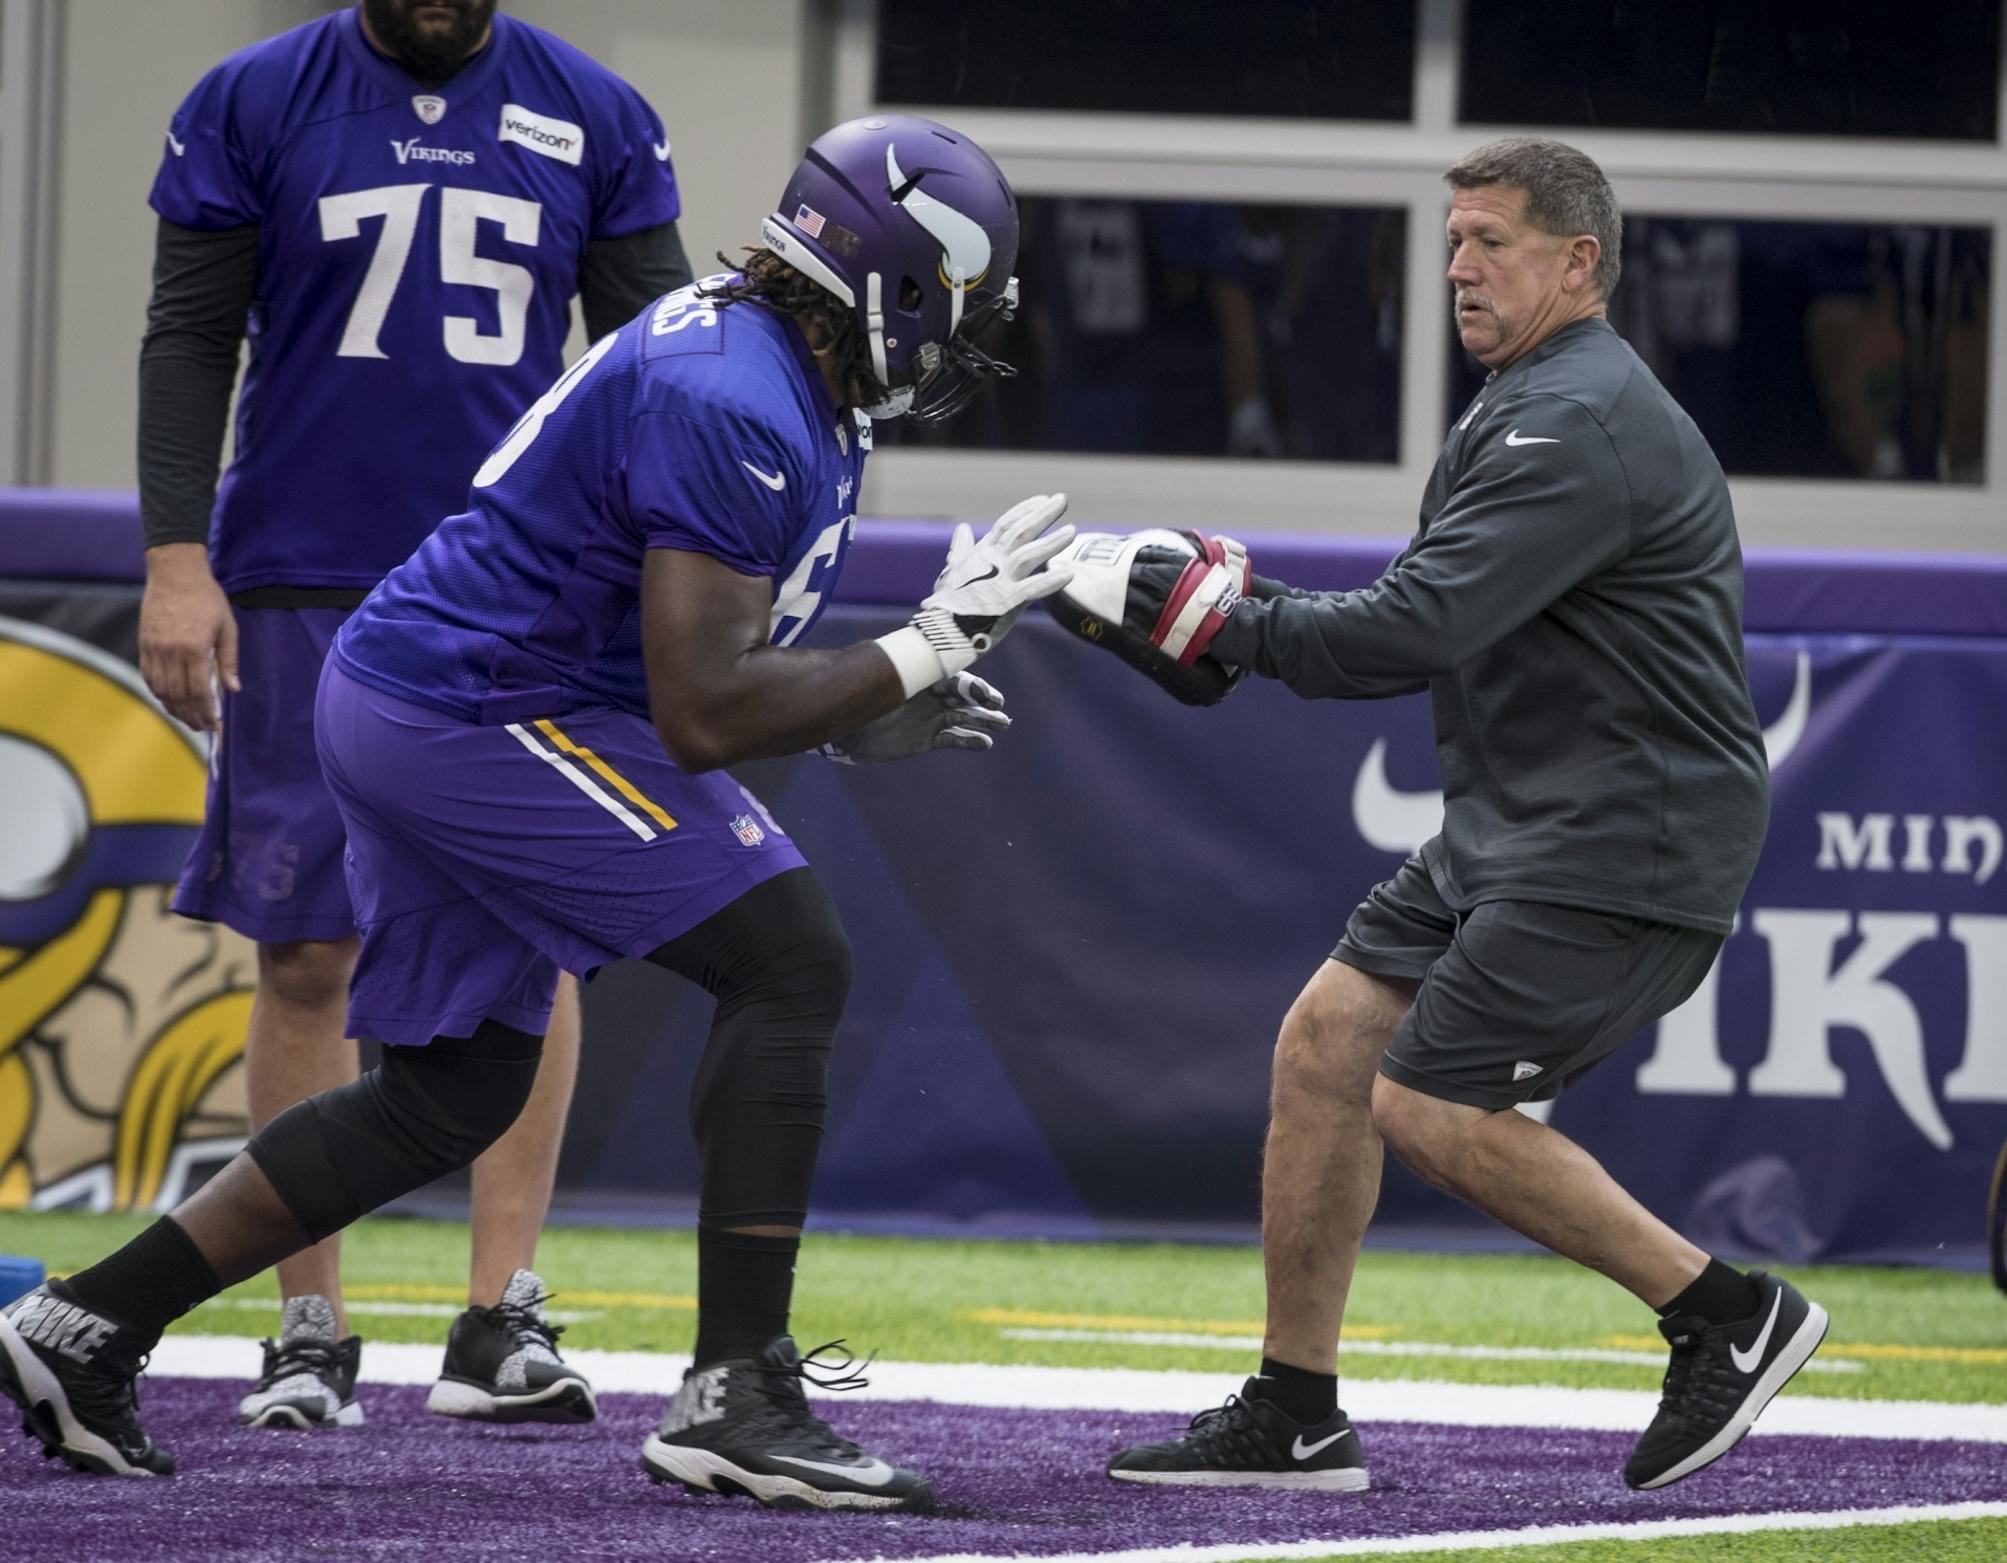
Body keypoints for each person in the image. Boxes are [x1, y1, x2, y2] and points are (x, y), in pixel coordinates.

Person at [1, 115, 1067, 1506]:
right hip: (476, 710)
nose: (962, 344)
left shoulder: (767, 361)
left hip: (445, 692)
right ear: (895, 279)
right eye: (958, 305)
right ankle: (738, 1391)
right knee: (789, 955)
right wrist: (920, 650)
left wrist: (859, 704)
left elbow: (697, 664)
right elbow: (699, 711)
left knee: (450, 1092)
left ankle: (84, 1326)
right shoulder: (739, 396)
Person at [1066, 137, 1822, 1494]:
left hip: (1622, 829)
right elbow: (1417, 615)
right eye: (1454, 241)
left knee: (1426, 1103)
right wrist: (1236, 624)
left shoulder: (1575, 416)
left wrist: (1226, 623)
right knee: (1325, 1046)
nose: (1461, 267)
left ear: (1580, 261)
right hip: (1523, 821)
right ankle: (1295, 1410)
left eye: (1493, 241)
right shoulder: (1533, 400)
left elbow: (1410, 631)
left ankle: (1726, 1312)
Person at [136, 0, 693, 1429]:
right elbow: (190, 336)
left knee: (531, 939)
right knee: (307, 951)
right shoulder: (256, 97)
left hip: (519, 584)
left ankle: (499, 1314)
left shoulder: (597, 113)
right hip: (305, 570)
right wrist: (174, 556)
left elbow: (659, 363)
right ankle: (307, 1325)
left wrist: (660, 572)